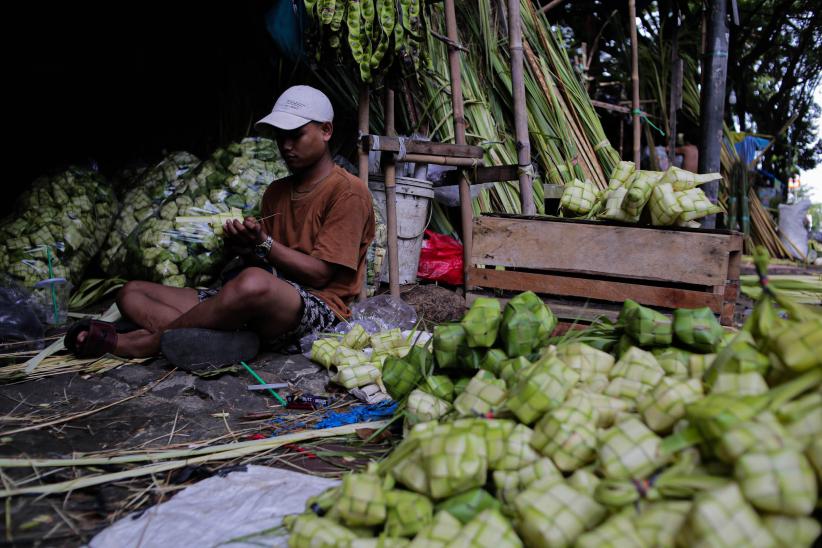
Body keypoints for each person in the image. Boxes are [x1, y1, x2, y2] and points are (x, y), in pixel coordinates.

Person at [66, 85, 376, 367]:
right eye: (280, 136)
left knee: (253, 282)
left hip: (315, 308)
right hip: (257, 295)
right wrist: (245, 245)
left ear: (325, 131)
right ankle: (227, 337)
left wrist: (266, 244)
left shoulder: (347, 191)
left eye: (295, 135)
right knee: (131, 292)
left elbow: (321, 274)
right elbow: (268, 260)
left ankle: (148, 341)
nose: (286, 145)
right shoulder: (277, 191)